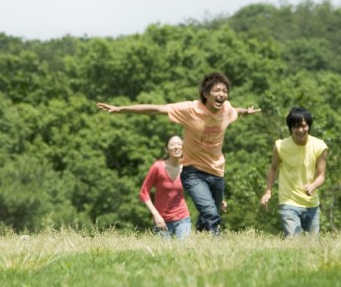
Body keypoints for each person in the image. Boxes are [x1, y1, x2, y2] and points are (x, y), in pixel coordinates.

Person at [97, 72, 261, 234]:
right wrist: (121, 109)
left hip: (217, 171)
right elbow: (156, 109)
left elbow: (236, 111)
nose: (222, 95)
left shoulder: (227, 109)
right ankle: (217, 246)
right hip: (194, 172)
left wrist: (246, 111)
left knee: (210, 215)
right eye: (217, 91)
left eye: (224, 91)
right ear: (205, 93)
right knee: (211, 213)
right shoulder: (190, 109)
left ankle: (198, 244)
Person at [260, 107, 328, 237]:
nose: (300, 130)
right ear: (290, 128)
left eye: (303, 126)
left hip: (311, 203)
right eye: (296, 127)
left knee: (313, 244)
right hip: (288, 201)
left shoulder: (320, 146)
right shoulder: (280, 146)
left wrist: (313, 186)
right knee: (293, 240)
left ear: (309, 126)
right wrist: (268, 191)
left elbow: (321, 176)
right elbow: (273, 168)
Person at [140, 135, 191, 239]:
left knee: (184, 252)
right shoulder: (158, 167)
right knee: (163, 254)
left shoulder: (188, 168)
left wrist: (217, 198)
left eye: (180, 144)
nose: (176, 147)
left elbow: (201, 186)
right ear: (166, 149)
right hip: (161, 221)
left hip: (183, 218)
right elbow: (143, 192)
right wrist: (156, 215)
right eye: (172, 144)